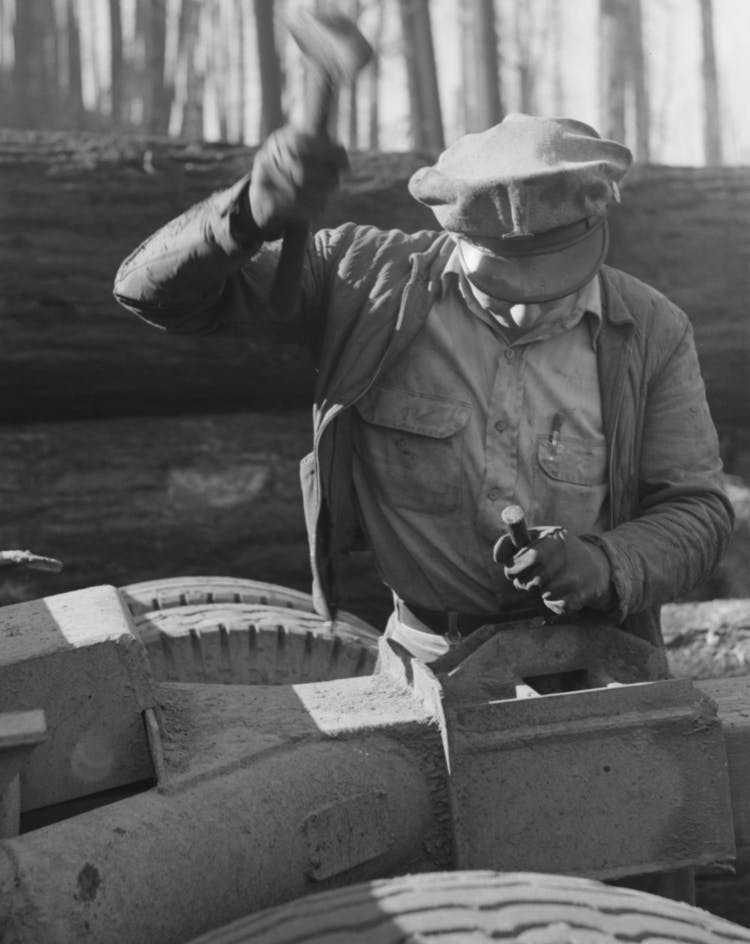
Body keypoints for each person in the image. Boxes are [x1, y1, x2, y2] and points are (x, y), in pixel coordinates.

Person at [114, 113, 733, 664]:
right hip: (425, 661)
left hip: (595, 660)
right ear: (455, 240)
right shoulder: (364, 286)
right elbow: (148, 293)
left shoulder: (650, 331)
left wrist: (603, 563)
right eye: (505, 286)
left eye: (553, 282)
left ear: (596, 231)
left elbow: (697, 511)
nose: (525, 313)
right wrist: (245, 213)